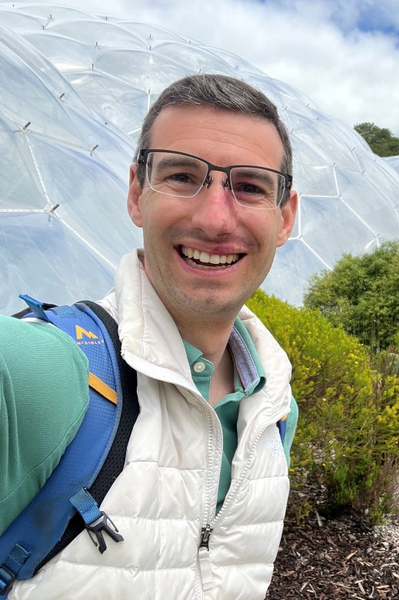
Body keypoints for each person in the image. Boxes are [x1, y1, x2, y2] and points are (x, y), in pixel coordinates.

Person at [1, 74, 299, 599]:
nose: (215, 219)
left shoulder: (274, 408)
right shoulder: (40, 372)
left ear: (285, 217)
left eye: (251, 186)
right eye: (182, 176)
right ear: (137, 194)